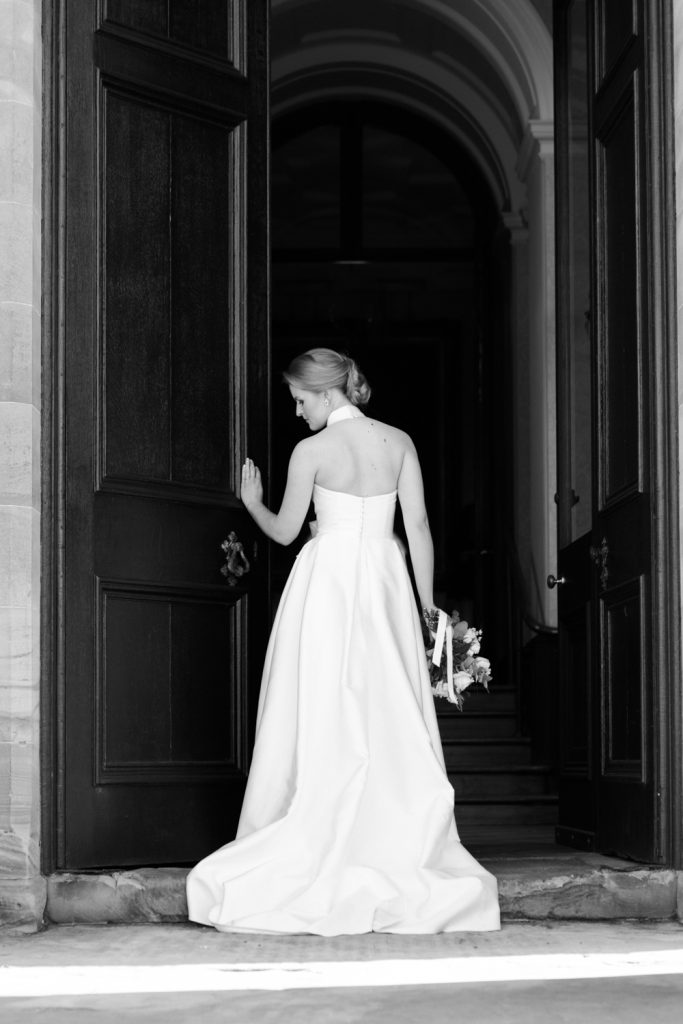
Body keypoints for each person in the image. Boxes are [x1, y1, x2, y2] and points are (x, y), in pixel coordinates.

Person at [186, 348, 500, 934]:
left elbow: (284, 531)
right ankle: (393, 834)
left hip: (327, 583)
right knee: (387, 708)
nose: (298, 411)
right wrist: (427, 606)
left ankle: (320, 824)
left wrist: (253, 502)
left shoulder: (312, 451)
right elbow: (420, 529)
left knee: (324, 704)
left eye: (300, 400)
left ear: (328, 393)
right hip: (384, 580)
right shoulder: (399, 442)